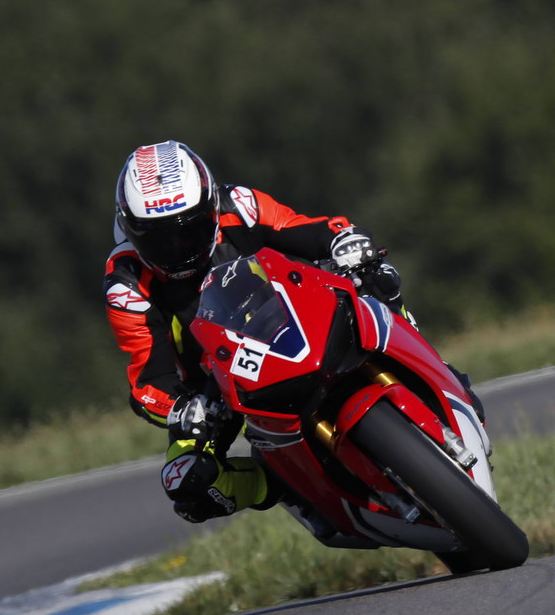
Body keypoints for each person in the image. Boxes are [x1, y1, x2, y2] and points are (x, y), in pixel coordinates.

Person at [104, 140, 405, 523]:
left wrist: (343, 239)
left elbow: (306, 228)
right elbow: (148, 382)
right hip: (216, 384)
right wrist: (181, 408)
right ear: (130, 231)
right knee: (186, 482)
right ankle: (288, 486)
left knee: (376, 276)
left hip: (296, 320)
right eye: (158, 240)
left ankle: (428, 369)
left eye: (191, 229)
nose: (179, 249)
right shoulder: (126, 281)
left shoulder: (239, 205)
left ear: (211, 205)